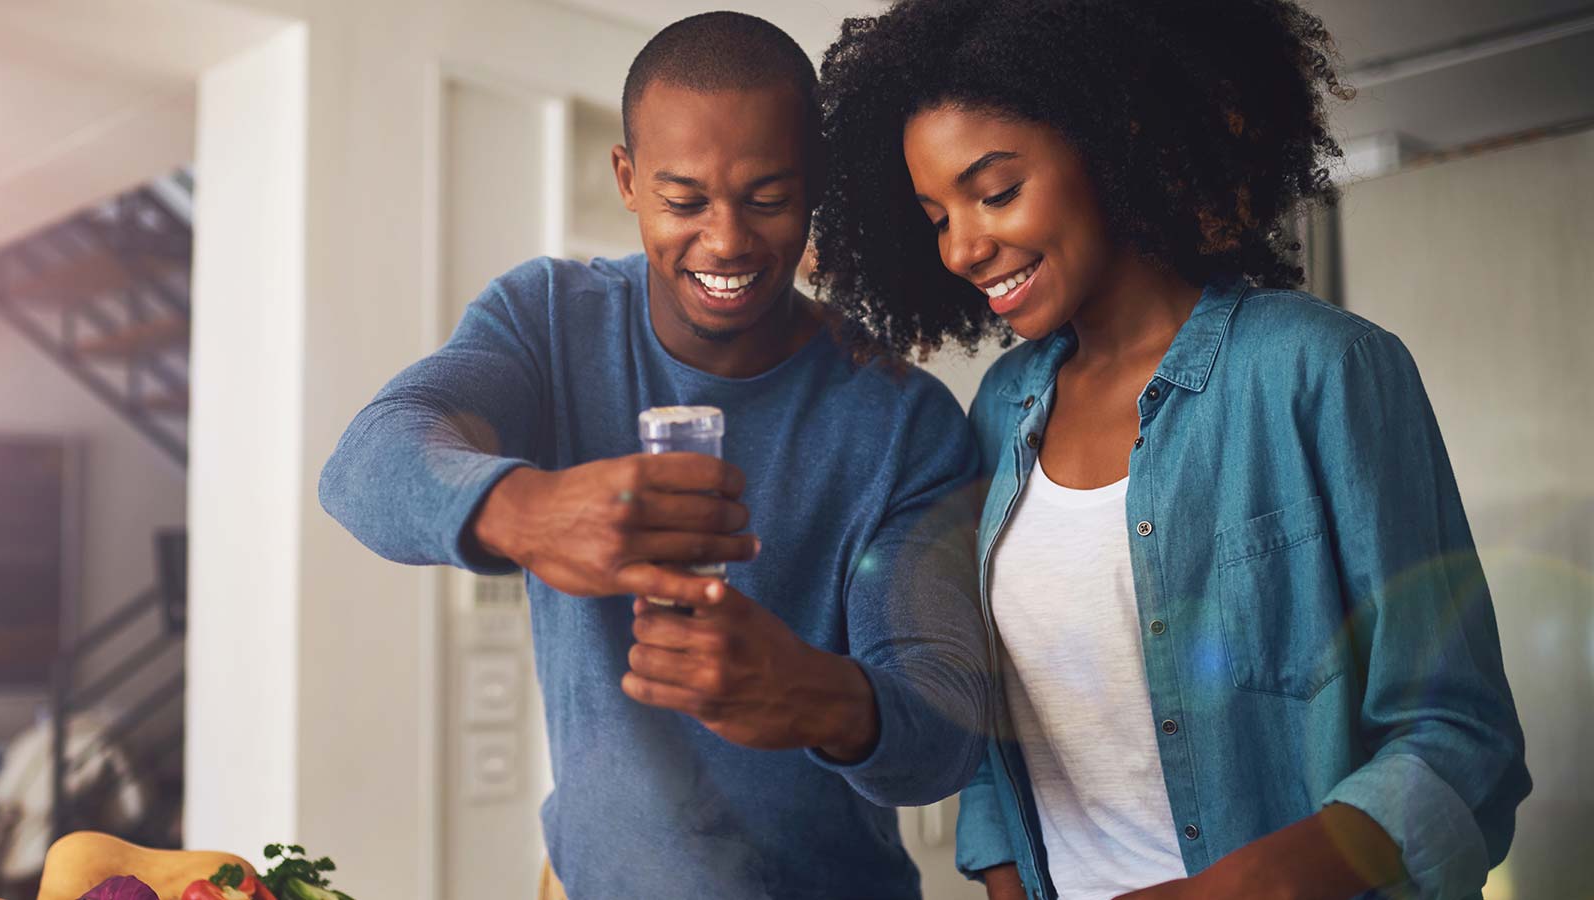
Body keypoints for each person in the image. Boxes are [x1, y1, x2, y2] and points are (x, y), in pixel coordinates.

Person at [809, 1, 1531, 899]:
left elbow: (1459, 737)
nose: (962, 246)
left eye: (995, 192)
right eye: (935, 216)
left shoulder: (1321, 370)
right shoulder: (1001, 406)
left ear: (1114, 141)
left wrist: (1241, 889)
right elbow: (1000, 716)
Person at [318, 12, 989, 900]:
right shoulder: (548, 321)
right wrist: (526, 512)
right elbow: (363, 463)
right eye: (684, 201)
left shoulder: (903, 422)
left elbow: (943, 729)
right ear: (628, 181)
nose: (725, 241)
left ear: (815, 185)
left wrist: (818, 696)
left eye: (768, 198)